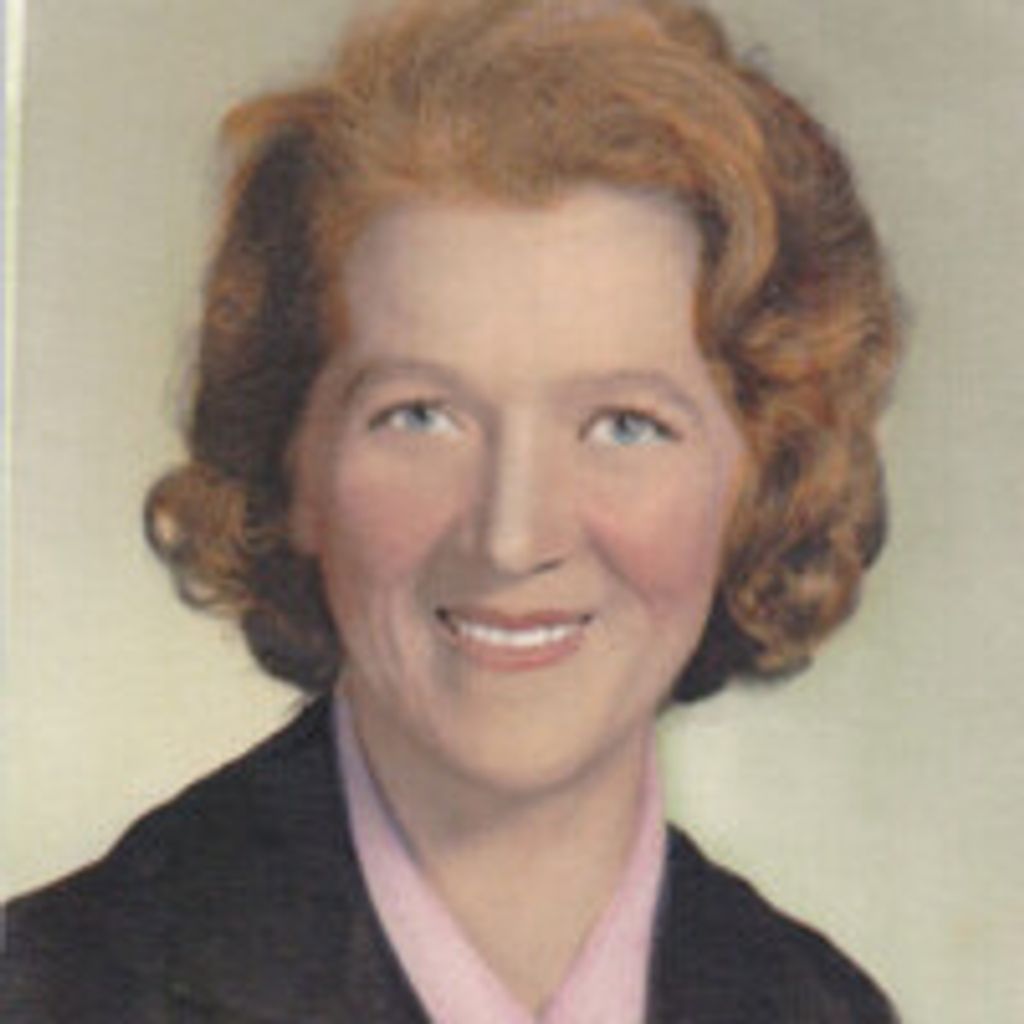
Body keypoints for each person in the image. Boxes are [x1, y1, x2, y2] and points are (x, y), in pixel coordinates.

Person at [1, 0, 901, 1020]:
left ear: (760, 478)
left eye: (623, 425)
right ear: (293, 466)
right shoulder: (60, 986)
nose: (513, 538)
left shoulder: (818, 1007)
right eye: (422, 416)